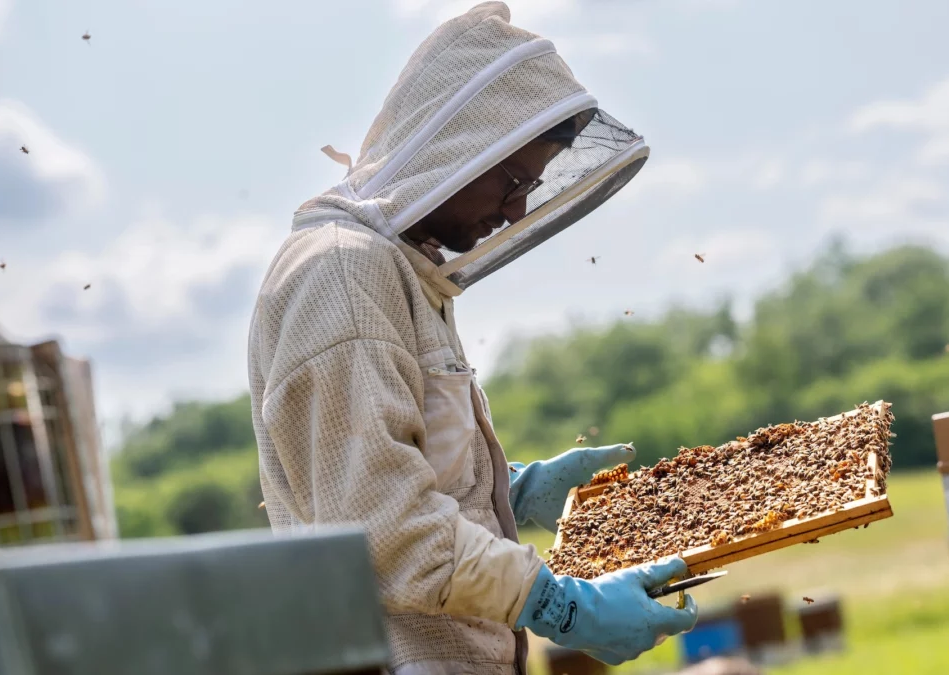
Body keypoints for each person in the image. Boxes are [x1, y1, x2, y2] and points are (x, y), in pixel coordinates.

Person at [247, 3, 698, 673]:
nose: (517, 209)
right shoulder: (345, 273)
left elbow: (382, 471)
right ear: (458, 148)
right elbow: (385, 533)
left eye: (532, 186)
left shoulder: (394, 270)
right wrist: (565, 606)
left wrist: (503, 490)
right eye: (513, 180)